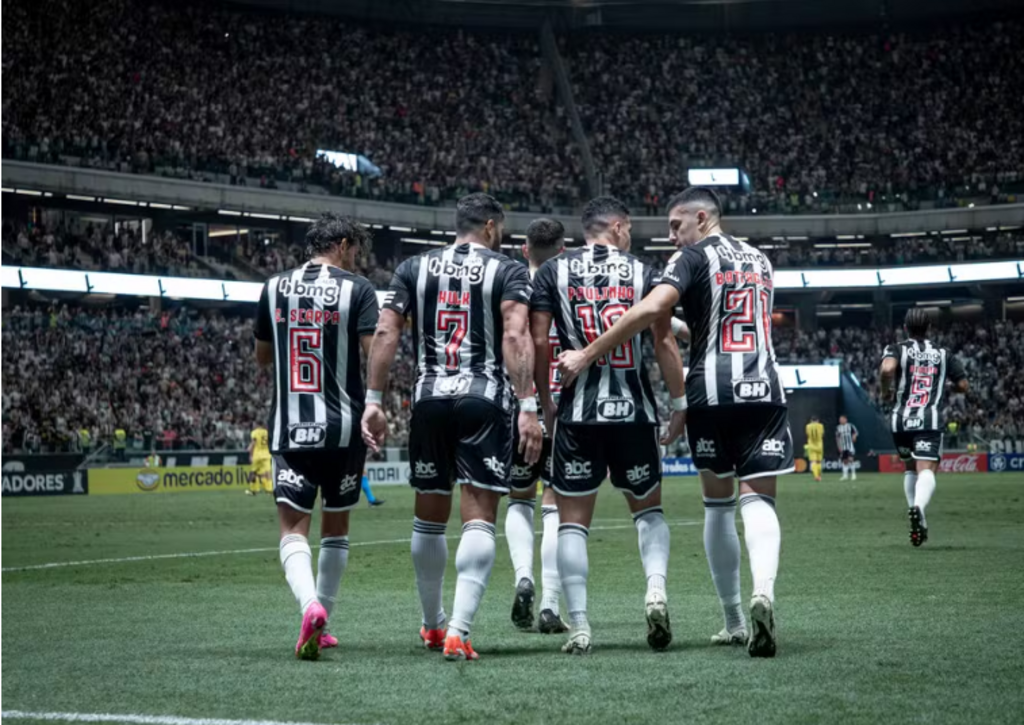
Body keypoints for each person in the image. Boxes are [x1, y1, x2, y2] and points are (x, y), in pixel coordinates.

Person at [558, 187, 792, 658]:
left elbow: (651, 310)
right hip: (764, 387)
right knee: (759, 500)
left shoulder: (689, 259)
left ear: (701, 218)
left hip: (709, 389)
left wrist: (587, 351)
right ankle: (762, 591)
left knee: (719, 505)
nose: (670, 236)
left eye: (675, 225)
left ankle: (734, 619)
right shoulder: (761, 259)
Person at [361, 193, 542, 661]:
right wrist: (528, 404)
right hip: (483, 399)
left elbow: (386, 332)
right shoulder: (508, 270)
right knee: (479, 515)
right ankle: (459, 630)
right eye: (498, 229)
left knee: (428, 516)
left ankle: (431, 625)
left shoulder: (413, 267)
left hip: (429, 399)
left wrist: (374, 401)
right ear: (488, 226)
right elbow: (516, 334)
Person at [533, 197, 686, 655]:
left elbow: (540, 343)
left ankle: (579, 626)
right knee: (648, 513)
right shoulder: (643, 272)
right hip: (634, 410)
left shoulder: (551, 272)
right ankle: (655, 591)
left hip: (578, 413)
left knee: (571, 524)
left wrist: (544, 404)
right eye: (631, 228)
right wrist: (678, 403)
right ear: (617, 227)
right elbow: (662, 342)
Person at [253, 212, 380, 660]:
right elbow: (374, 351)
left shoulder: (273, 288)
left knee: (292, 529)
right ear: (343, 244)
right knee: (336, 527)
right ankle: (323, 613)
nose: (357, 259)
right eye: (356, 250)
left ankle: (310, 609)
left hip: (290, 428)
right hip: (343, 429)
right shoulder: (358, 290)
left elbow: (263, 358)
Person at [506, 218, 568, 635]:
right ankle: (549, 603)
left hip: (518, 405)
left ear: (525, 250)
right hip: (566, 406)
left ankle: (523, 575)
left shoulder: (511, 288)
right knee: (558, 506)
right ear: (563, 251)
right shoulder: (573, 284)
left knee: (518, 500)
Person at [880, 308, 968, 547]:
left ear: (905, 328)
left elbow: (887, 369)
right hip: (928, 419)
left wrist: (884, 391)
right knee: (926, 468)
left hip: (900, 420)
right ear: (930, 328)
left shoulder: (896, 348)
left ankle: (917, 515)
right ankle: (919, 507)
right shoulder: (943, 353)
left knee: (910, 468)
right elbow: (963, 384)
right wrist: (946, 387)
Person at [247, 425, 272, 496]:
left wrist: (250, 454)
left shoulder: (255, 432)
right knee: (267, 473)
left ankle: (254, 490)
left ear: (257, 425)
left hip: (257, 455)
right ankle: (269, 490)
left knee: (253, 473)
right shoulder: (267, 432)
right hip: (266, 455)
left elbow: (253, 443)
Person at [835, 415, 859, 481]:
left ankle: (853, 474)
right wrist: (839, 446)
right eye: (840, 419)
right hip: (843, 447)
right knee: (844, 461)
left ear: (845, 419)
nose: (840, 420)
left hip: (850, 446)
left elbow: (855, 433)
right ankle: (845, 475)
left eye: (842, 419)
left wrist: (854, 437)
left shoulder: (850, 426)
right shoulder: (838, 427)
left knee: (850, 459)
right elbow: (837, 437)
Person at [805, 416, 825, 482]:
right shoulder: (821, 426)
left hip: (811, 445)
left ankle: (816, 476)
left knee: (813, 461)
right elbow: (822, 434)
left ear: (811, 420)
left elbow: (807, 434)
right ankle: (819, 476)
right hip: (819, 446)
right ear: (818, 420)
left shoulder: (808, 426)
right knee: (819, 461)